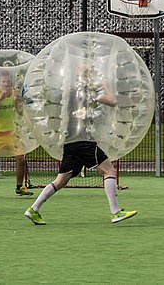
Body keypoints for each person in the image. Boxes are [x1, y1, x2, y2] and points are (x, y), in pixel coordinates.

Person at [24, 64, 137, 225]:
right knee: (109, 170)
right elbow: (112, 101)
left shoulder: (71, 93)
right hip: (83, 141)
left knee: (61, 181)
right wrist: (105, 85)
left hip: (70, 142)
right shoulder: (86, 93)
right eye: (89, 73)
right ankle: (115, 212)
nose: (92, 75)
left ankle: (33, 209)